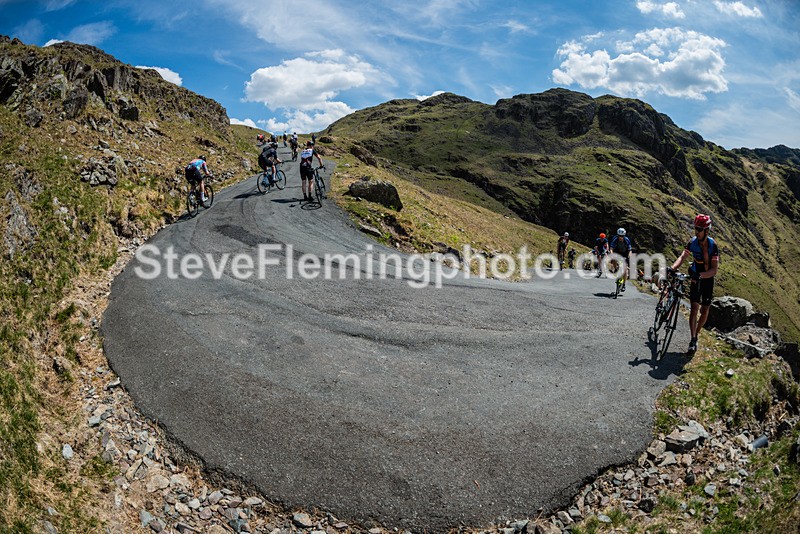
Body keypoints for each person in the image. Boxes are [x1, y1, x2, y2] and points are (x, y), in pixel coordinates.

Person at [669, 214, 719, 354]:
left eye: (699, 229)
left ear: (707, 230)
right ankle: (693, 338)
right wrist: (673, 268)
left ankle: (696, 333)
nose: (696, 232)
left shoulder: (712, 245)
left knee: (705, 311)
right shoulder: (693, 242)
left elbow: (714, 270)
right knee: (694, 308)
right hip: (696, 276)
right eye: (695, 228)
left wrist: (701, 275)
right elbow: (683, 256)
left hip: (707, 278)